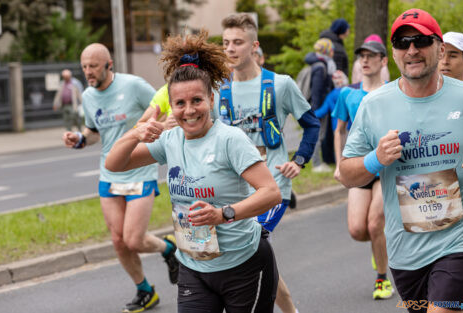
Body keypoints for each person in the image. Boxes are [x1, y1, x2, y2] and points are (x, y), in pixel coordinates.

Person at [104, 30, 282, 313]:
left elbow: (271, 193)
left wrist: (222, 214)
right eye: (180, 103)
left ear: (211, 99)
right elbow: (115, 164)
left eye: (196, 100)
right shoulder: (170, 140)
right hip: (193, 266)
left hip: (242, 264)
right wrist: (133, 134)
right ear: (171, 106)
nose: (189, 111)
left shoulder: (230, 140)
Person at [339, 8, 463, 313]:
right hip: (406, 253)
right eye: (402, 42)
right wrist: (375, 159)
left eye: (421, 40)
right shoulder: (374, 106)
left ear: (440, 47)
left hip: (458, 243)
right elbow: (346, 174)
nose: (412, 50)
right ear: (394, 53)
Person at [62, 43, 179, 313]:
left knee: (134, 239)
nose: (88, 72)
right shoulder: (89, 96)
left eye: (93, 66)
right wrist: (79, 139)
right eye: (84, 67)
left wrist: (165, 126)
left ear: (109, 65)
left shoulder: (134, 86)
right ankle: (145, 290)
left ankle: (168, 248)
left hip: (139, 168)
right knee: (118, 240)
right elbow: (94, 132)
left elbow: (165, 104)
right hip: (109, 172)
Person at [217, 13, 320, 313]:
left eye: (238, 42)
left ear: (254, 45)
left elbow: (311, 124)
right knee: (257, 254)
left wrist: (299, 161)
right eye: (226, 43)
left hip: (274, 186)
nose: (231, 49)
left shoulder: (280, 84)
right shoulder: (219, 90)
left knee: (249, 249)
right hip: (235, 186)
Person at [332, 39, 394, 300]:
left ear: (383, 61)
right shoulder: (347, 93)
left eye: (372, 56)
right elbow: (339, 131)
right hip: (358, 167)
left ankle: (382, 280)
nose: (365, 60)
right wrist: (339, 165)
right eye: (362, 56)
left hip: (385, 168)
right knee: (358, 230)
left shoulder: (393, 91)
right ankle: (379, 247)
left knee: (374, 222)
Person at [303, 38, 336, 172]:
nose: (333, 51)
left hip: (318, 106)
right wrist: (316, 111)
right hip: (318, 107)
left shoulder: (320, 64)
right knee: (318, 135)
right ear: (327, 51)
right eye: (331, 49)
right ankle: (316, 164)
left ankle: (317, 162)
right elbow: (317, 91)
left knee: (318, 134)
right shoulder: (321, 66)